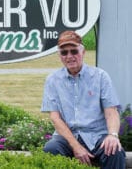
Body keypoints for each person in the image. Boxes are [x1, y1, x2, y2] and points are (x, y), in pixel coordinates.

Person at [41, 30, 126, 169]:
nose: (69, 56)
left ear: (83, 52)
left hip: (97, 136)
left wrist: (113, 135)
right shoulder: (52, 80)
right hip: (66, 139)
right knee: (51, 149)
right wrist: (76, 146)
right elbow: (55, 118)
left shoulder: (100, 76)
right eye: (64, 52)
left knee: (114, 151)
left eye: (74, 51)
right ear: (59, 55)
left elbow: (111, 111)